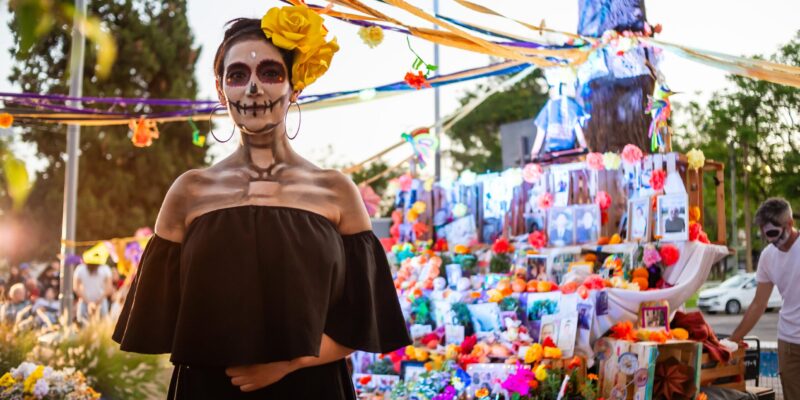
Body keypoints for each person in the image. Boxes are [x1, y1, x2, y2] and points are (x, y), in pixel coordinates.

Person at [112, 7, 410, 399]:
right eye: (238, 75)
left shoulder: (336, 191)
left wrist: (287, 363)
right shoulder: (188, 192)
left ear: (294, 88)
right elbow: (161, 319)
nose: (253, 88)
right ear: (222, 91)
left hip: (312, 390)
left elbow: (364, 322)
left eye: (270, 73)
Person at [729, 198, 800, 399]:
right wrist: (733, 340)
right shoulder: (768, 257)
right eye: (764, 234)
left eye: (773, 233)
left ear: (790, 224)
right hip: (788, 342)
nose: (770, 240)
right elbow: (758, 304)